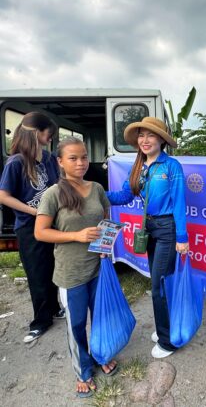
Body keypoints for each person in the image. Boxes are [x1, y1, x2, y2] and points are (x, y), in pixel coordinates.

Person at [34, 136, 117, 398]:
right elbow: (40, 233)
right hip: (72, 274)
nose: (80, 163)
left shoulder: (96, 188)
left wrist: (106, 246)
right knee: (77, 324)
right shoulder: (54, 194)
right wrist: (76, 236)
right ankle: (83, 370)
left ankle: (101, 354)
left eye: (83, 157)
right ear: (60, 162)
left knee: (101, 317)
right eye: (73, 158)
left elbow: (106, 219)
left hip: (98, 268)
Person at [106, 117, 189, 359]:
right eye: (141, 135)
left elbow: (179, 204)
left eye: (150, 135)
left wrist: (181, 238)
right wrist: (93, 192)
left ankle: (167, 341)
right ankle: (166, 326)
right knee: (158, 280)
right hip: (148, 228)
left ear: (161, 140)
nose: (144, 140)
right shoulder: (138, 167)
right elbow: (123, 196)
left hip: (167, 229)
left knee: (158, 285)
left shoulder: (172, 166)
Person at [0, 112, 64, 343]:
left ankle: (55, 308)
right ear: (37, 133)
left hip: (52, 224)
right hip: (29, 226)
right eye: (49, 134)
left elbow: (58, 185)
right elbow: (4, 196)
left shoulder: (47, 158)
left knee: (53, 267)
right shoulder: (16, 162)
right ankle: (40, 321)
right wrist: (34, 211)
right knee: (37, 274)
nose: (51, 138)